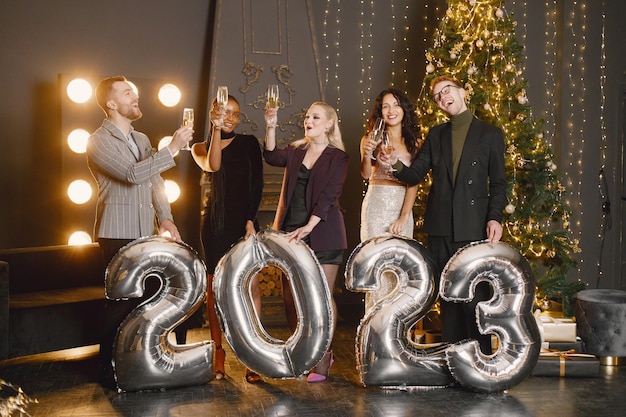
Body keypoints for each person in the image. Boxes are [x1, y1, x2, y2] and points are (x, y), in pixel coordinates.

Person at [379, 75, 507, 354]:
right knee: (448, 298)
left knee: (476, 298)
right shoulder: (436, 135)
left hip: (474, 227)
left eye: (446, 90)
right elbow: (415, 173)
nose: (442, 97)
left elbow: (498, 183)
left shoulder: (490, 134)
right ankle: (454, 360)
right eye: (437, 96)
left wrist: (494, 217)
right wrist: (395, 165)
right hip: (440, 227)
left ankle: (480, 360)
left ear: (462, 91)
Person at [86, 75, 193, 385]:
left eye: (134, 91)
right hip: (115, 232)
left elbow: (155, 181)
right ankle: (107, 370)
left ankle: (144, 362)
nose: (134, 96)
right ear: (111, 103)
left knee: (152, 298)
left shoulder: (143, 139)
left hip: (145, 232)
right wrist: (172, 147)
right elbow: (133, 174)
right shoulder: (98, 140)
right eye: (126, 93)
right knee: (120, 302)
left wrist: (166, 218)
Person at [263, 101, 348, 382]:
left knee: (322, 298)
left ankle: (323, 355)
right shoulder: (296, 151)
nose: (308, 120)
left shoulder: (338, 158)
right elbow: (272, 156)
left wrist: (308, 227)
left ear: (329, 124)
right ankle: (303, 351)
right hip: (290, 235)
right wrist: (271, 125)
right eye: (307, 116)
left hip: (324, 233)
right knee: (290, 297)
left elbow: (328, 197)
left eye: (315, 117)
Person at [190, 94, 264, 384]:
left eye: (236, 113)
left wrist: (250, 221)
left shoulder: (249, 143)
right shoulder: (200, 148)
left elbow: (256, 183)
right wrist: (216, 129)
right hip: (215, 225)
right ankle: (218, 352)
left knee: (252, 285)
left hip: (244, 223)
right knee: (214, 290)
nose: (231, 117)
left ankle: (251, 353)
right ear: (214, 112)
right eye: (226, 112)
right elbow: (214, 166)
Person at [360, 89, 422, 311]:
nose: (391, 110)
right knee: (377, 268)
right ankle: (375, 334)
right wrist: (367, 155)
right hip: (376, 205)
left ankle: (398, 333)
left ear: (404, 109)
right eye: (385, 106)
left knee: (402, 270)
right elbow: (366, 174)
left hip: (401, 205)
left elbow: (413, 182)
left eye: (395, 105)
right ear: (380, 112)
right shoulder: (370, 139)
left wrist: (404, 216)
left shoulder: (415, 142)